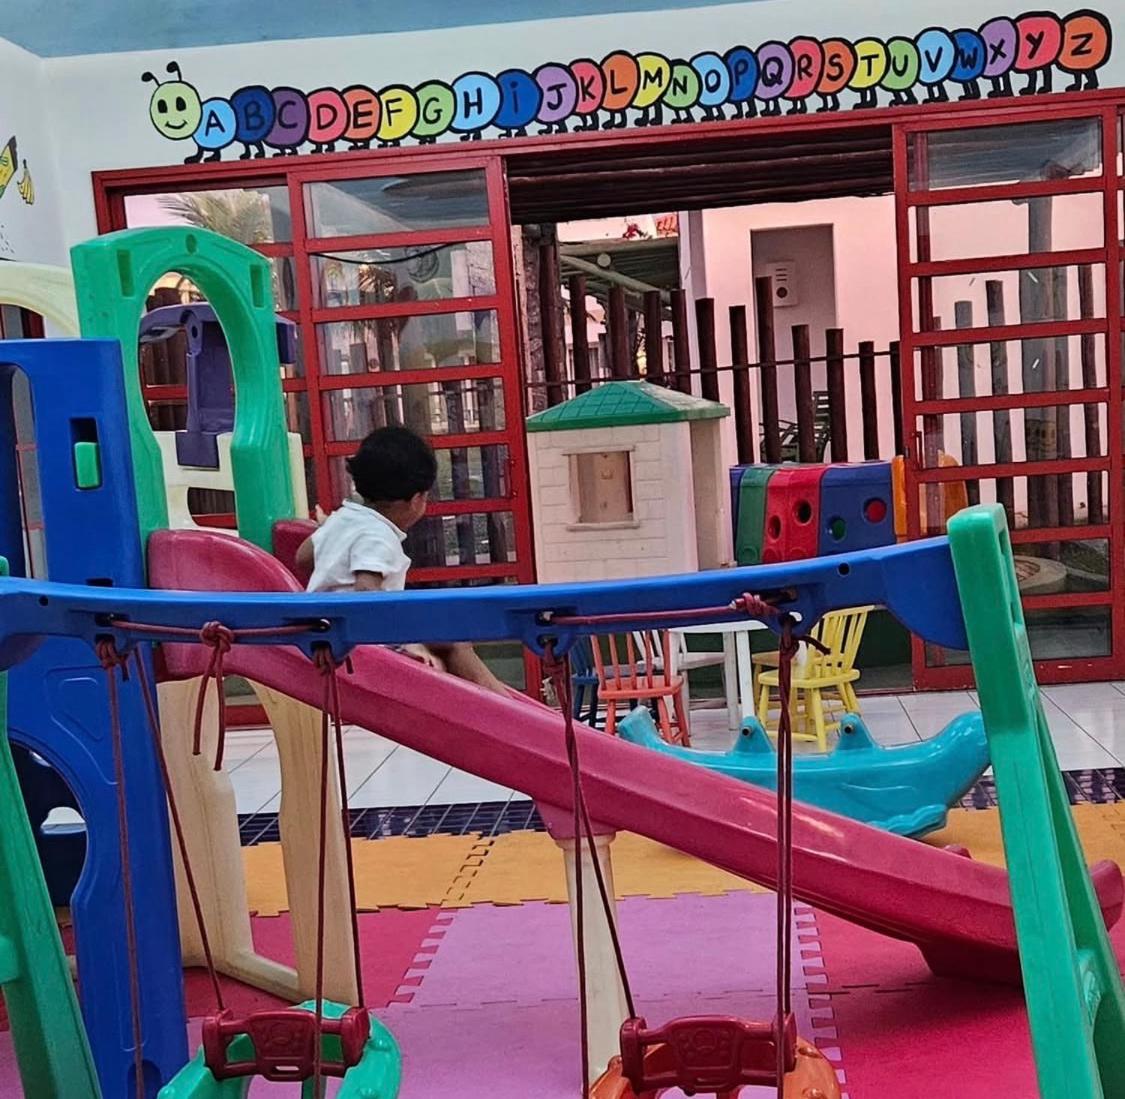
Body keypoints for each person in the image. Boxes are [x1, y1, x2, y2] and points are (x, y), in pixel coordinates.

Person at [297, 425, 508, 695]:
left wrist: (332, 555)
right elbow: (365, 592)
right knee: (454, 642)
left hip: (329, 632)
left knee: (442, 635)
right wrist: (405, 635)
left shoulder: (343, 519)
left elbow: (303, 557)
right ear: (416, 499)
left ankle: (498, 698)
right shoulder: (379, 536)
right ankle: (502, 703)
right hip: (364, 646)